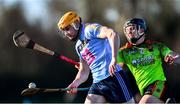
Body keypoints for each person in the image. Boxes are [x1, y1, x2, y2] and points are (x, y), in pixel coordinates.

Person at [57, 11, 134, 103]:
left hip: (114, 77)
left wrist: (114, 58)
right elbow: (84, 71)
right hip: (98, 83)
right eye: (63, 30)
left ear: (76, 24)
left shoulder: (89, 29)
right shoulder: (78, 46)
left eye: (67, 28)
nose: (66, 33)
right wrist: (75, 83)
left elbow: (112, 34)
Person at [117, 18, 180, 103]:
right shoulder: (123, 52)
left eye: (132, 28)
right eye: (127, 30)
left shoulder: (156, 46)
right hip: (144, 90)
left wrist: (174, 58)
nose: (129, 32)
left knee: (145, 102)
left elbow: (174, 55)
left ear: (142, 30)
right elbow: (114, 66)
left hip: (159, 84)